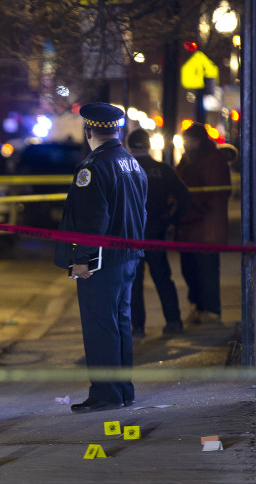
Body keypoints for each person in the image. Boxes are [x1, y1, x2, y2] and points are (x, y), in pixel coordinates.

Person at [54, 103, 147, 413]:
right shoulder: (131, 162)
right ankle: (122, 391)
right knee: (120, 325)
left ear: (89, 130)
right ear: (117, 130)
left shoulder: (92, 167)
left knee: (100, 328)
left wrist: (82, 258)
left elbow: (92, 218)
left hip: (103, 261)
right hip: (129, 257)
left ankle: (106, 394)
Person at [126, 129, 191, 337]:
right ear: (149, 145)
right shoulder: (163, 170)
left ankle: (137, 327)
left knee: (134, 282)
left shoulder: (123, 171)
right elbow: (185, 197)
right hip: (156, 230)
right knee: (163, 278)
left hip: (130, 234)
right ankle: (173, 322)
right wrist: (172, 221)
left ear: (129, 147)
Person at [175, 122, 231, 325]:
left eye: (188, 140)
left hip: (206, 224)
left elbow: (217, 192)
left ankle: (210, 310)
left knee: (206, 268)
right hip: (191, 224)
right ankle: (197, 307)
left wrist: (197, 208)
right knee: (190, 268)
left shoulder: (212, 159)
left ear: (198, 141)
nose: (186, 144)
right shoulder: (190, 158)